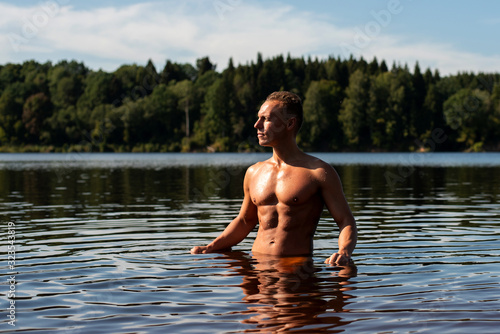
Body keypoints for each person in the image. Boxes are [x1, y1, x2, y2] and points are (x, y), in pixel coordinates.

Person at [190, 91, 357, 266]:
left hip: (295, 269)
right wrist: (210, 247)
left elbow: (346, 221)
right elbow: (245, 221)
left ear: (290, 123)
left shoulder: (318, 172)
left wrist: (344, 251)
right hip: (257, 266)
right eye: (258, 118)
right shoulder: (254, 172)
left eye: (266, 119)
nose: (256, 125)